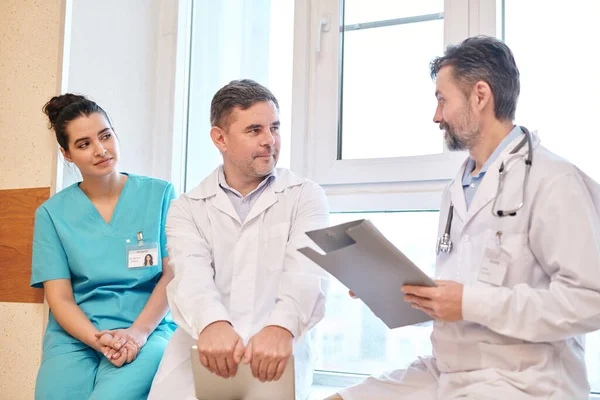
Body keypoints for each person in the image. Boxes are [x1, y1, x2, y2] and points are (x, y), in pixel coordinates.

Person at [327, 36, 600, 400]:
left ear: (480, 96)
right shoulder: (459, 189)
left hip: (524, 380)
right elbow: (456, 294)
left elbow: (589, 299)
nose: (436, 116)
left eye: (442, 99)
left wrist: (470, 303)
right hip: (449, 371)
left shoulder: (553, 180)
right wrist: (388, 290)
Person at [148, 79, 329, 400]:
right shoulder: (187, 208)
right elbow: (190, 275)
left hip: (275, 353)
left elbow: (307, 272)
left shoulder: (305, 196)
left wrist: (282, 327)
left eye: (274, 127)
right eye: (254, 130)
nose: (269, 140)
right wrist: (211, 323)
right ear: (220, 138)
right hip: (200, 348)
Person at [31, 94, 177, 399]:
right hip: (75, 336)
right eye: (84, 144)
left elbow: (172, 275)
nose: (100, 150)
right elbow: (59, 298)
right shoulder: (52, 214)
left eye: (105, 136)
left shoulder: (159, 194)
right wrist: (98, 340)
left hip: (145, 330)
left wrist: (136, 336)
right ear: (67, 154)